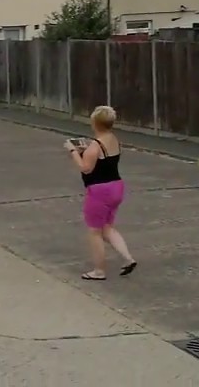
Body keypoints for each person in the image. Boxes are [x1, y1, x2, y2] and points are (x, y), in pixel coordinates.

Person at [65, 105, 136, 281]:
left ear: (95, 123)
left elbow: (85, 168)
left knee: (94, 231)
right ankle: (128, 258)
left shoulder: (95, 145)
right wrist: (86, 150)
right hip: (116, 186)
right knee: (107, 228)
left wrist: (73, 150)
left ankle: (99, 270)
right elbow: (102, 159)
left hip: (99, 190)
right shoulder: (113, 139)